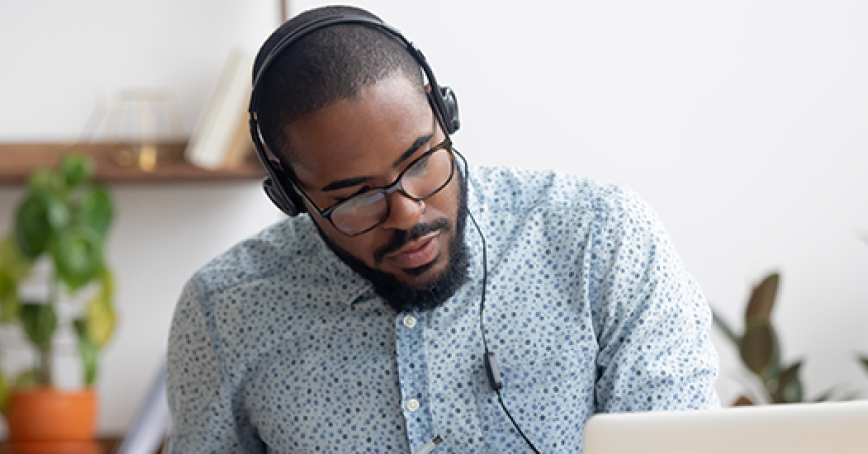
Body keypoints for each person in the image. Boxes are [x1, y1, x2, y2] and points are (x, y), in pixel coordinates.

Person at [166, 5, 720, 453]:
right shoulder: (223, 312)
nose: (408, 214)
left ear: (443, 114)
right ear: (291, 194)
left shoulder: (603, 240)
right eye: (357, 196)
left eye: (421, 160)